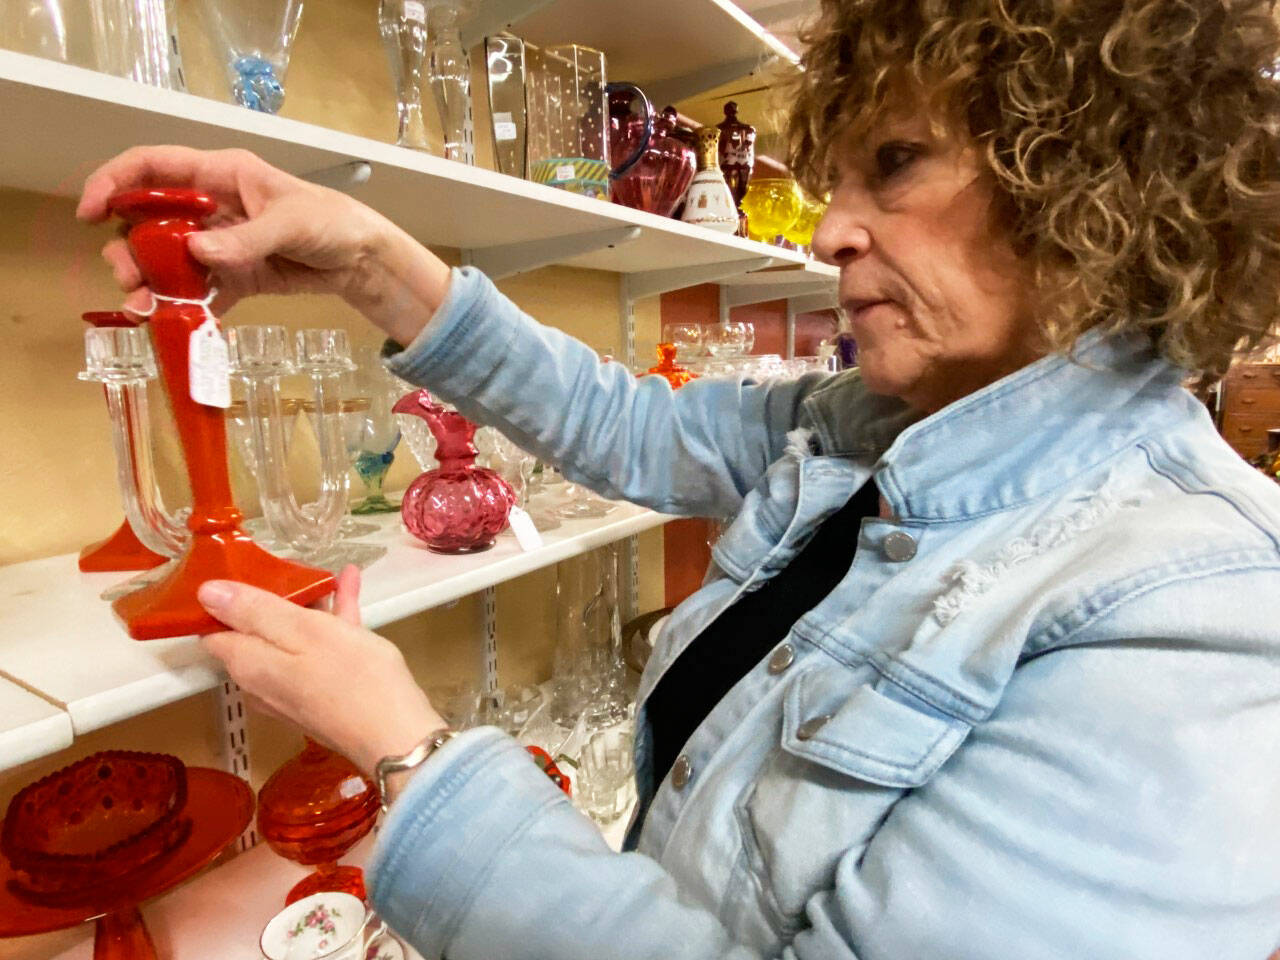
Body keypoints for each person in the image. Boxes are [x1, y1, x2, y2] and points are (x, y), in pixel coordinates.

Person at [77, 0, 1280, 955]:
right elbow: (631, 430)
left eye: (896, 163)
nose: (826, 234)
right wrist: (371, 260)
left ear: (1089, 177)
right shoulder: (876, 425)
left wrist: (412, 760)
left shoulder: (1192, 614)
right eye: (837, 178)